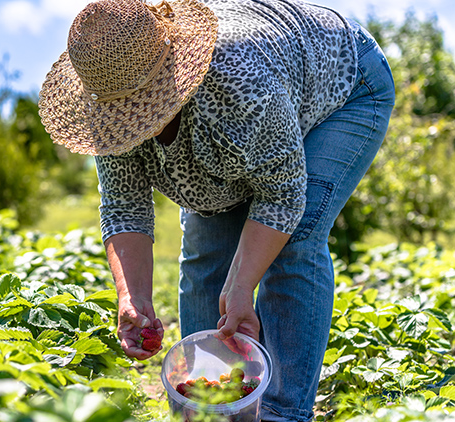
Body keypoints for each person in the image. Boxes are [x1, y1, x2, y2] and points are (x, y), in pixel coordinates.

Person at [37, 0, 395, 420]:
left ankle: (282, 411)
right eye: (122, 111)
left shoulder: (238, 83)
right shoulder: (112, 109)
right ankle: (212, 405)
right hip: (257, 118)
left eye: (138, 107)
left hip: (342, 85)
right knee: (207, 259)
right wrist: (132, 299)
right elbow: (124, 207)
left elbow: (281, 197)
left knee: (294, 241)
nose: (131, 118)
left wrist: (243, 287)